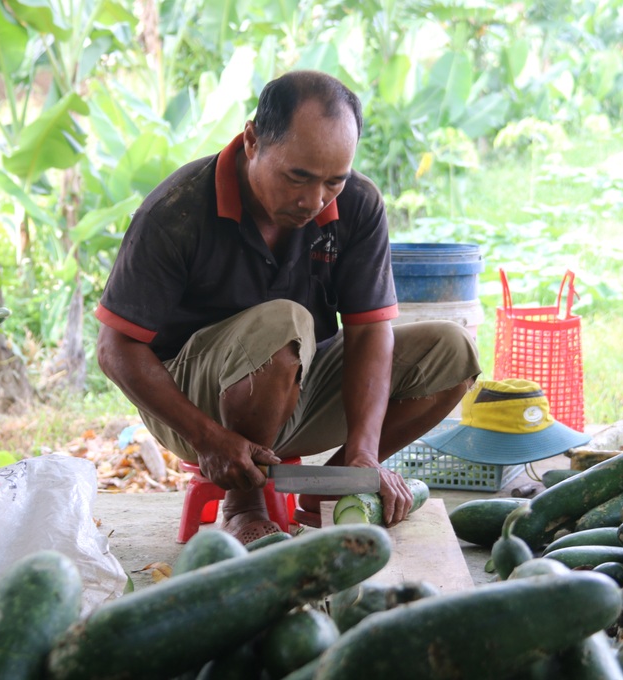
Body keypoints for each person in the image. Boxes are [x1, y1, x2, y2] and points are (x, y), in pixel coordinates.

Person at [95, 70, 481, 544]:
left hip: (296, 379)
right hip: (190, 403)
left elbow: (368, 331)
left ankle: (329, 490)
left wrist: (363, 453)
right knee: (285, 321)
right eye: (297, 177)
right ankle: (244, 501)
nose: (313, 201)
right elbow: (115, 348)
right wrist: (207, 438)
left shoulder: (358, 205)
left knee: (452, 351)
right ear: (253, 139)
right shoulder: (177, 211)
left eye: (332, 183)